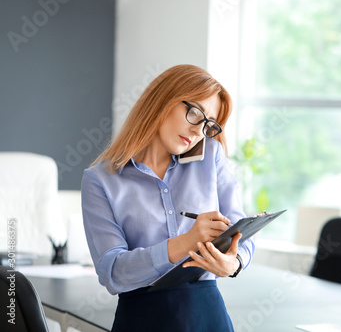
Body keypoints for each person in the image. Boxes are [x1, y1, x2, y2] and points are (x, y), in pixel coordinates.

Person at [81, 64, 254, 332]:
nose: (199, 131)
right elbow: (113, 271)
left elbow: (242, 229)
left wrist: (233, 262)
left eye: (208, 125)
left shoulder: (211, 157)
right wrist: (187, 242)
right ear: (163, 100)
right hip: (141, 319)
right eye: (195, 113)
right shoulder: (100, 180)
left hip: (208, 316)